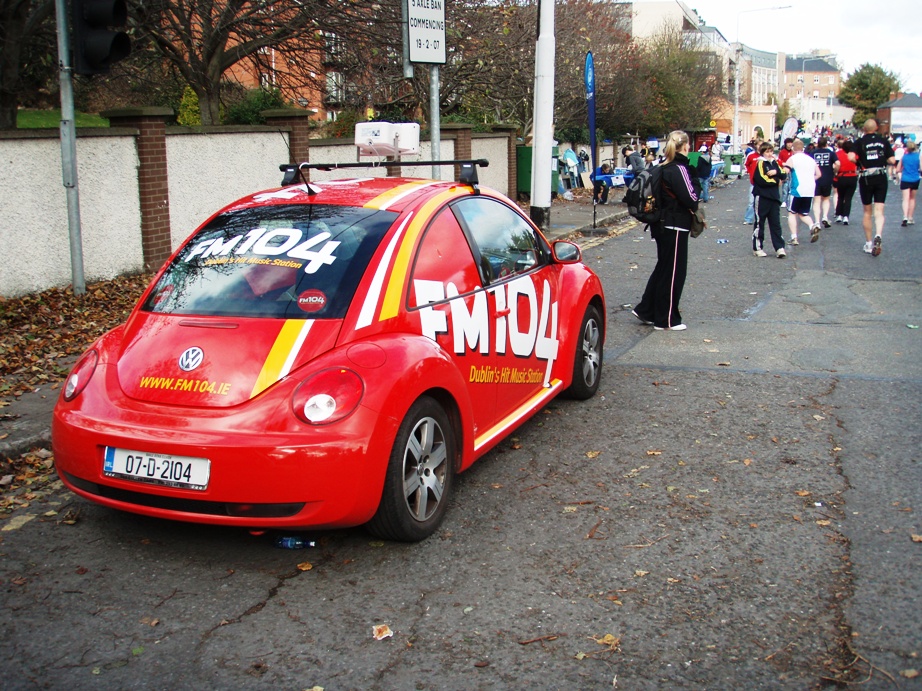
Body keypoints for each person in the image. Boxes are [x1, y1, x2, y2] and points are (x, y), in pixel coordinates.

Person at [632, 130, 699, 332]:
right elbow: (691, 198)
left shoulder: (663, 166)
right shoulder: (679, 169)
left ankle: (647, 309)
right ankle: (667, 319)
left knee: (664, 268)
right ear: (686, 146)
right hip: (675, 224)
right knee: (674, 273)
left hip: (661, 224)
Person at [851, 118, 896, 256]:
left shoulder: (859, 142)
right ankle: (879, 235)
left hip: (866, 176)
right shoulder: (883, 141)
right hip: (881, 175)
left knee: (867, 211)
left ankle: (869, 243)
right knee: (879, 210)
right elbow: (892, 160)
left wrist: (859, 162)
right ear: (876, 128)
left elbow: (850, 156)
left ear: (864, 129)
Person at [751, 142, 787, 258]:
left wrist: (776, 173)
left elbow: (783, 174)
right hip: (762, 196)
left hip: (774, 197)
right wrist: (776, 181)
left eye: (771, 151)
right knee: (759, 223)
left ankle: (779, 247)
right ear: (762, 153)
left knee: (776, 223)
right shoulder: (760, 163)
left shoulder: (775, 163)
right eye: (767, 151)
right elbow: (761, 179)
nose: (770, 154)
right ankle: (758, 247)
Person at [783, 139, 822, 244]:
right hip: (809, 189)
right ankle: (812, 226)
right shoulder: (811, 160)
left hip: (797, 189)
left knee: (792, 213)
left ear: (793, 148)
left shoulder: (792, 159)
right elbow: (818, 174)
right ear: (803, 148)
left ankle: (794, 237)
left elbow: (785, 172)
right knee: (803, 213)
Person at [811, 136, 837, 228]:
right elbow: (838, 163)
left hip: (816, 179)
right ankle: (825, 217)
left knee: (816, 200)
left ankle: (817, 222)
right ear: (826, 144)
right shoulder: (831, 153)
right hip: (827, 178)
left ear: (817, 144)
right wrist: (835, 171)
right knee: (826, 199)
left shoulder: (813, 153)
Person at [833, 139, 858, 225]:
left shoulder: (838, 154)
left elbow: (836, 164)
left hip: (842, 176)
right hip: (852, 176)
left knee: (840, 196)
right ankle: (846, 216)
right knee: (848, 198)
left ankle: (839, 214)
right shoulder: (854, 154)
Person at [897, 139, 920, 226]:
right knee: (912, 198)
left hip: (905, 179)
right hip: (915, 178)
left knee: (905, 199)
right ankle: (910, 217)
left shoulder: (904, 157)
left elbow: (898, 169)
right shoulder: (918, 156)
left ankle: (905, 216)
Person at [743, 140, 762, 226]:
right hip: (753, 182)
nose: (760, 147)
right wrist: (749, 171)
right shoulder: (751, 155)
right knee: (751, 201)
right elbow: (746, 164)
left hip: (764, 183)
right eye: (758, 145)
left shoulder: (766, 156)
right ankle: (748, 219)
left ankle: (761, 219)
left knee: (762, 202)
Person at [777, 137, 795, 208]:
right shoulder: (782, 152)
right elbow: (779, 161)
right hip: (785, 170)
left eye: (791, 143)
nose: (790, 145)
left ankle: (789, 200)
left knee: (792, 185)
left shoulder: (793, 152)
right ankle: (784, 201)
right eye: (788, 143)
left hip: (792, 171)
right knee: (785, 186)